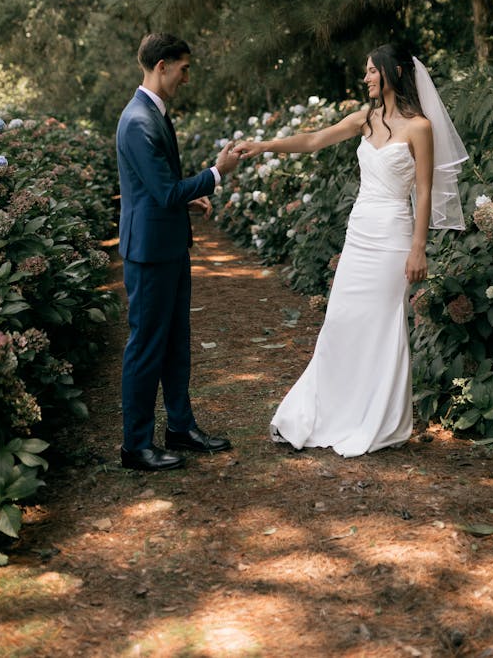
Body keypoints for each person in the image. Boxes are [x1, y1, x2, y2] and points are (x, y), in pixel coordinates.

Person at [235, 43, 468, 457]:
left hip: (394, 235)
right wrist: (263, 146)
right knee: (341, 320)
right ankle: (333, 410)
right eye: (365, 73)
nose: (366, 78)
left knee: (381, 326)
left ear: (393, 72)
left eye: (371, 71)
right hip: (359, 233)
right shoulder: (364, 118)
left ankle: (375, 419)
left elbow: (426, 192)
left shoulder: (420, 128)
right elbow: (313, 141)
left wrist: (419, 249)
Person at [116, 32, 240, 471]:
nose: (187, 77)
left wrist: (188, 197)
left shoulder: (153, 113)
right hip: (149, 253)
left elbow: (156, 188)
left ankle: (179, 426)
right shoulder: (138, 120)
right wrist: (216, 173)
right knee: (147, 347)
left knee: (175, 343)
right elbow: (164, 190)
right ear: (163, 65)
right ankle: (135, 446)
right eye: (184, 68)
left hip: (167, 245)